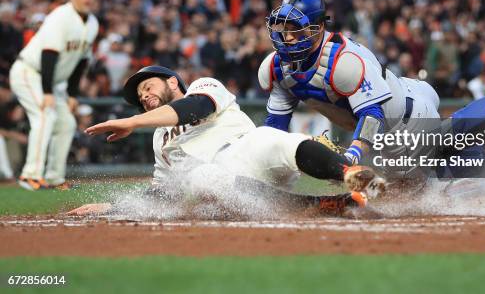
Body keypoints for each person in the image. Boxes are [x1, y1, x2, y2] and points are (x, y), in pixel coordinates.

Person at [260, 0, 485, 179]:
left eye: (295, 30)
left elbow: (372, 116)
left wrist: (351, 155)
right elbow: (275, 126)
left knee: (432, 177)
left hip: (402, 121)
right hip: (399, 95)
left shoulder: (343, 60)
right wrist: (274, 161)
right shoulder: (275, 67)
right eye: (282, 30)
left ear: (318, 27)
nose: (286, 38)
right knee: (454, 162)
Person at [68, 66, 384, 216]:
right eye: (139, 96)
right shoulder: (158, 138)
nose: (144, 95)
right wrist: (111, 205)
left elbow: (194, 109)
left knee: (273, 138)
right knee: (200, 177)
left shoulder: (203, 86)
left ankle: (349, 174)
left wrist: (131, 121)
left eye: (148, 86)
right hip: (225, 185)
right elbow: (165, 193)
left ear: (172, 82)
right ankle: (323, 205)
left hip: (247, 149)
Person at [9, 0, 99, 190]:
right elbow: (48, 55)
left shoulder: (93, 23)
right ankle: (29, 175)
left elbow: (81, 62)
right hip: (29, 72)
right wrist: (48, 92)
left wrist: (73, 95)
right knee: (44, 115)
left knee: (66, 123)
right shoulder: (61, 17)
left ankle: (54, 177)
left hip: (51, 81)